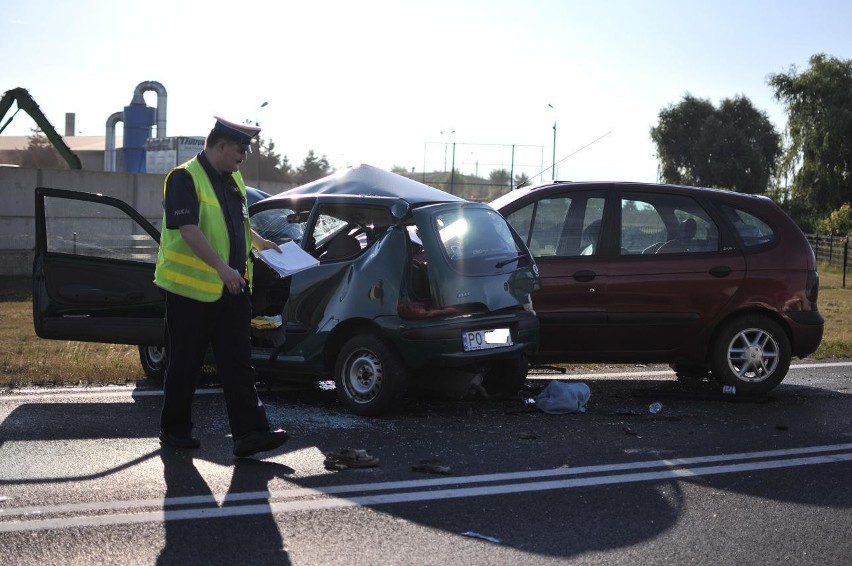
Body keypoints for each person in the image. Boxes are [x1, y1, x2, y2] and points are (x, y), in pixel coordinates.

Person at [154, 116, 289, 458]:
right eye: (241, 149)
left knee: (238, 362)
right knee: (184, 363)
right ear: (221, 145)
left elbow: (237, 223)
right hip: (190, 291)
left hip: (232, 287)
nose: (244, 156)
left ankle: (250, 433)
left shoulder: (233, 179)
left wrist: (260, 243)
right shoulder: (184, 178)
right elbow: (187, 229)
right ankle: (175, 429)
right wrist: (221, 267)